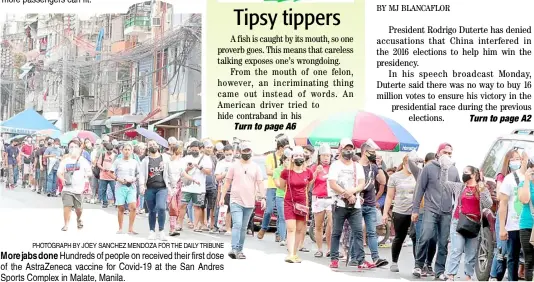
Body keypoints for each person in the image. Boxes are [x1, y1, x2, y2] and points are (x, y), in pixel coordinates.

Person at [412, 143, 461, 279]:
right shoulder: (428, 168)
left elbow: (458, 192)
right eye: (445, 152)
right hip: (430, 208)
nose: (448, 155)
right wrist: (415, 209)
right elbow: (420, 189)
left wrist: (457, 211)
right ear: (438, 153)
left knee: (443, 243)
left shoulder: (454, 170)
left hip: (446, 211)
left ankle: (439, 271)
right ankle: (418, 265)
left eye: (450, 153)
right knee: (426, 236)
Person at [440, 155, 493, 281]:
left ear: (474, 175)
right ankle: (451, 275)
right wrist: (444, 169)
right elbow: (443, 184)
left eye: (466, 172)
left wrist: (482, 191)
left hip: (474, 224)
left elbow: (489, 204)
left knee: (471, 252)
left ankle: (468, 276)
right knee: (456, 249)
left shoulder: (481, 188)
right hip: (458, 221)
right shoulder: (460, 186)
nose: (464, 174)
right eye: (463, 172)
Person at [219, 141, 266, 259]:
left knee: (244, 227)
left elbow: (260, 183)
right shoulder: (234, 166)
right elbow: (227, 182)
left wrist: (263, 197)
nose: (246, 153)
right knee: (237, 224)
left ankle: (240, 250)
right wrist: (222, 197)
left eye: (248, 151)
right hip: (235, 200)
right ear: (240, 152)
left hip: (249, 201)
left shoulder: (256, 167)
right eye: (244, 151)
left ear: (251, 152)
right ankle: (234, 248)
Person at [328, 138, 366, 269]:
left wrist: (353, 192)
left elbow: (361, 183)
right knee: (336, 232)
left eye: (350, 149)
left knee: (358, 232)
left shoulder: (357, 166)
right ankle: (334, 258)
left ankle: (361, 260)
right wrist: (346, 193)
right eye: (346, 149)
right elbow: (332, 183)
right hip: (339, 203)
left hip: (355, 204)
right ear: (340, 150)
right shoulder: (335, 165)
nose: (348, 151)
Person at [490, 149, 521, 281]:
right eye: (513, 159)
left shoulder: (524, 176)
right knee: (502, 250)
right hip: (505, 217)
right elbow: (499, 197)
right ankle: (494, 276)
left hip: (518, 218)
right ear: (508, 161)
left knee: (512, 253)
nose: (516, 161)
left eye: (518, 158)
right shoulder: (503, 177)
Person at [383, 155, 417, 272]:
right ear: (404, 163)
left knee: (416, 238)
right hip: (400, 211)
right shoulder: (395, 177)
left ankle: (417, 266)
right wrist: (385, 213)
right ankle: (394, 262)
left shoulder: (418, 176)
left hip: (415, 212)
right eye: (409, 162)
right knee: (399, 237)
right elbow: (389, 196)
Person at [356, 141, 388, 267]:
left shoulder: (373, 167)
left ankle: (376, 257)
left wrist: (379, 166)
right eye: (372, 152)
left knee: (372, 232)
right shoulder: (356, 166)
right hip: (357, 203)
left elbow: (383, 181)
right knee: (357, 232)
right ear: (365, 152)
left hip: (369, 204)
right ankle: (356, 257)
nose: (374, 155)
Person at [279, 146, 313, 263]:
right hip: (289, 202)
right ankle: (290, 253)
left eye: (301, 156)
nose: (298, 158)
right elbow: (282, 186)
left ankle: (295, 252)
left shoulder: (308, 172)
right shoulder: (286, 172)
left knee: (299, 229)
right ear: (292, 158)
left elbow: (308, 186)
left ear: (304, 158)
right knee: (291, 228)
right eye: (296, 156)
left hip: (302, 203)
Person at [499, 151, 528, 282]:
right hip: (514, 224)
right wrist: (502, 228)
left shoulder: (531, 177)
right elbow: (503, 204)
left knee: (529, 258)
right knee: (513, 257)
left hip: (529, 223)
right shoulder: (509, 179)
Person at [408, 151, 437, 277]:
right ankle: (419, 265)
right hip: (420, 210)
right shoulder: (420, 172)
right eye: (429, 164)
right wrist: (419, 160)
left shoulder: (439, 173)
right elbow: (410, 161)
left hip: (434, 211)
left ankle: (428, 264)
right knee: (421, 238)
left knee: (433, 239)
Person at [139, 140, 172, 240]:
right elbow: (142, 174)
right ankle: (152, 231)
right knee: (152, 210)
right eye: (150, 145)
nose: (153, 146)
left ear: (158, 146)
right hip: (149, 188)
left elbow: (170, 172)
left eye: (154, 144)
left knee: (161, 207)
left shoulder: (165, 158)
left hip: (162, 188)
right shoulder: (145, 160)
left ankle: (161, 231)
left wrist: (172, 186)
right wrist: (141, 185)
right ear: (147, 148)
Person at [259, 135, 289, 241]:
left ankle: (278, 233)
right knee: (269, 209)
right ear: (280, 147)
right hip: (272, 186)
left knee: (281, 212)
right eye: (286, 147)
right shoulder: (270, 157)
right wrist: (280, 171)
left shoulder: (288, 157)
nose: (287, 150)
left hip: (283, 187)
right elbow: (268, 171)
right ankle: (263, 228)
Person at [57, 140, 91, 231]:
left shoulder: (83, 161)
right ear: (68, 148)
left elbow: (89, 173)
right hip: (67, 188)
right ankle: (66, 224)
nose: (73, 149)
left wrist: (86, 176)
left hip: (79, 189)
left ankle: (79, 219)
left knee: (78, 209)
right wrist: (62, 179)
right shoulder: (65, 161)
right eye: (71, 147)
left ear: (79, 148)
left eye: (75, 147)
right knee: (67, 206)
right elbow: (59, 172)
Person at [180, 141, 213, 232]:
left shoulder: (206, 159)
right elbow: (182, 172)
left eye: (196, 150)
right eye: (192, 150)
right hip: (187, 186)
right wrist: (188, 168)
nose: (194, 151)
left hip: (199, 187)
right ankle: (179, 224)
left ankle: (196, 225)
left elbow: (209, 172)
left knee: (197, 206)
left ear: (200, 149)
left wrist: (200, 167)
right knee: (183, 205)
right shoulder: (186, 158)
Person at [110, 143, 140, 235]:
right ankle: (120, 228)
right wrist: (118, 179)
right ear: (122, 151)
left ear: (131, 151)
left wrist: (134, 179)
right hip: (120, 186)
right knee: (121, 208)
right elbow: (111, 173)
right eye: (125, 149)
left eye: (129, 150)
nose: (127, 151)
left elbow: (139, 174)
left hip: (131, 187)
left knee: (133, 207)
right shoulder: (117, 161)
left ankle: (130, 229)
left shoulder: (134, 162)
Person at [310, 144, 333, 257]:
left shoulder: (333, 167)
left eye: (328, 155)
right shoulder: (314, 167)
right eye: (324, 155)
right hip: (318, 198)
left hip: (331, 198)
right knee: (318, 225)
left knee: (331, 224)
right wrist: (315, 173)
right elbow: (309, 183)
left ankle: (330, 248)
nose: (326, 158)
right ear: (319, 156)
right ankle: (319, 249)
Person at [168, 145, 197, 235]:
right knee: (172, 207)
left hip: (178, 186)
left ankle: (173, 227)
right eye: (179, 153)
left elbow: (183, 173)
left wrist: (193, 179)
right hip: (170, 187)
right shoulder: (167, 162)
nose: (180, 155)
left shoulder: (180, 163)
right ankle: (172, 227)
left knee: (177, 208)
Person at [518, 152, 534, 282]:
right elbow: (524, 199)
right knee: (529, 261)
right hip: (527, 225)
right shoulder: (523, 183)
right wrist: (528, 180)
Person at [214, 145, 235, 235]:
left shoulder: (236, 162)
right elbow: (217, 177)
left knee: (233, 209)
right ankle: (226, 227)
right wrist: (225, 174)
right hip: (224, 188)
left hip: (236, 188)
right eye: (227, 154)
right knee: (226, 208)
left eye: (230, 154)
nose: (229, 156)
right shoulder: (221, 163)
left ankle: (231, 227)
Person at [274, 148, 291, 246]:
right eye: (287, 159)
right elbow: (278, 184)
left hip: (291, 197)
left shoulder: (292, 170)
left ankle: (289, 237)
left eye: (290, 160)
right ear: (283, 160)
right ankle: (283, 238)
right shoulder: (277, 170)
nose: (288, 162)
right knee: (282, 217)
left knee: (290, 218)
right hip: (280, 196)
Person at [202, 140, 218, 232]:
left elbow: (216, 171)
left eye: (211, 147)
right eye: (207, 147)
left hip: (212, 185)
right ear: (203, 148)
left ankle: (212, 224)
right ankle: (204, 223)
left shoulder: (214, 159)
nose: (209, 149)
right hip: (202, 185)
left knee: (212, 206)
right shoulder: (201, 158)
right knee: (202, 206)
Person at [98, 142, 116, 208]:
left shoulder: (115, 156)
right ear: (105, 149)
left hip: (112, 176)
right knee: (103, 190)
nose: (109, 152)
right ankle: (105, 202)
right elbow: (98, 164)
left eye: (110, 150)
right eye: (107, 150)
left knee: (114, 190)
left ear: (112, 149)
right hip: (103, 176)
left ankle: (116, 203)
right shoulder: (102, 155)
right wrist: (103, 168)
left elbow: (116, 165)